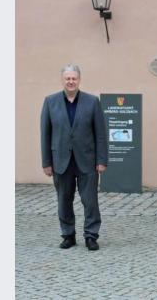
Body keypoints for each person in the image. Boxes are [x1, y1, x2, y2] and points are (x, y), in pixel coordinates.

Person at [40, 64, 107, 251]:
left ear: (79, 80)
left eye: (74, 78)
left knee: (90, 201)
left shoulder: (92, 102)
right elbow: (45, 133)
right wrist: (46, 162)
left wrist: (102, 160)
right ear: (62, 80)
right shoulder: (50, 102)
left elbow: (100, 133)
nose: (71, 81)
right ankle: (68, 235)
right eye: (67, 78)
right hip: (60, 161)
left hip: (88, 161)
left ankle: (91, 236)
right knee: (64, 200)